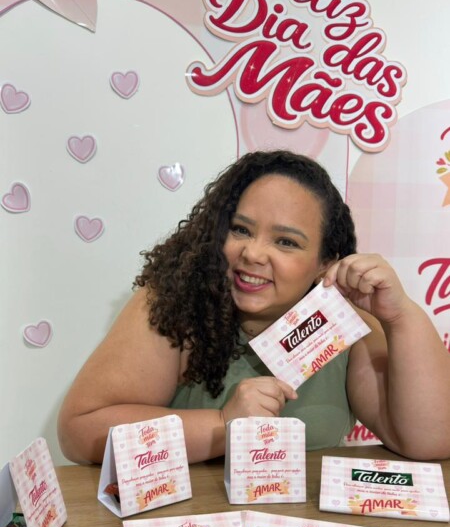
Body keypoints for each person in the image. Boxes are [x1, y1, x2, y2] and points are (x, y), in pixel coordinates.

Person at [57, 150, 450, 464]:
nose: (253, 253)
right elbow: (80, 433)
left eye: (286, 242)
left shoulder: (345, 324)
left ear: (325, 263)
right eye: (240, 229)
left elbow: (432, 441)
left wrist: (400, 316)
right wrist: (222, 424)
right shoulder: (174, 302)